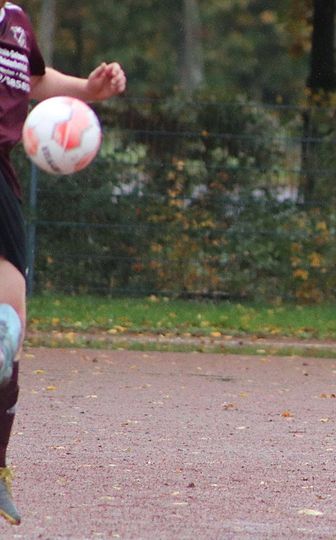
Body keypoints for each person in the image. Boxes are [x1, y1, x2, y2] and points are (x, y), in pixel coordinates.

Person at [0, 2, 126, 526]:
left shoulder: (15, 20)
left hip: (1, 178)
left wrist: (87, 91)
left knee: (8, 332)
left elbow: (33, 80)